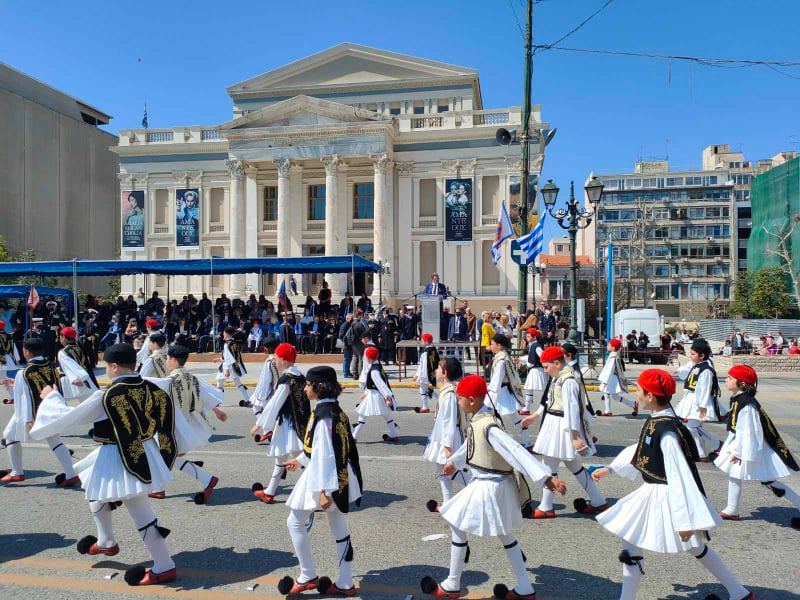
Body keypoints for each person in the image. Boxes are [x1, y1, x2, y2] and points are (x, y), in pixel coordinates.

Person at [592, 369, 753, 600]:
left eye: (638, 390)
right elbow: (640, 448)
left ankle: (739, 592)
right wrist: (610, 469)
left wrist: (687, 520)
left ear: (650, 397)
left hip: (665, 495)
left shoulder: (667, 432)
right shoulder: (659, 421)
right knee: (634, 544)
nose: (636, 394)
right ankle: (739, 593)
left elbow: (681, 476)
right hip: (653, 491)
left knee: (693, 546)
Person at [29, 343, 178, 586]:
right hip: (145, 451)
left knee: (139, 508)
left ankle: (164, 565)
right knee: (96, 493)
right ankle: (106, 541)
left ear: (115, 366)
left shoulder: (107, 395)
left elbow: (68, 418)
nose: (106, 370)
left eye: (107, 366)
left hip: (120, 456)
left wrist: (51, 397)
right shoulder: (153, 388)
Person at [420, 375, 567, 600]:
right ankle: (525, 588)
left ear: (471, 400)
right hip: (491, 485)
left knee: (457, 523)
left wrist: (546, 478)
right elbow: (471, 444)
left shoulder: (488, 426)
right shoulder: (480, 420)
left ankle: (452, 584)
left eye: (460, 398)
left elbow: (515, 451)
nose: (458, 402)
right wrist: (453, 463)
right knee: (505, 536)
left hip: (490, 485)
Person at [277, 366, 362, 597]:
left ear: (319, 386)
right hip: (339, 475)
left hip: (326, 478)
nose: (304, 389)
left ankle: (307, 575)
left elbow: (325, 454)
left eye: (308, 384)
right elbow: (321, 448)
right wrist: (300, 460)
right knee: (339, 526)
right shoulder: (334, 410)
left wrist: (323, 491)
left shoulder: (325, 416)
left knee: (294, 521)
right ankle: (345, 582)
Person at [522, 345, 606, 518]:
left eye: (546, 367)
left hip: (561, 425)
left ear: (557, 363)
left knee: (549, 465)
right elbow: (549, 400)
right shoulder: (560, 376)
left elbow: (572, 409)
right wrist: (535, 416)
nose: (545, 371)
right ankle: (598, 501)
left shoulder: (567, 380)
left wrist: (575, 437)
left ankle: (546, 507)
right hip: (556, 423)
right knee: (572, 465)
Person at [715, 365, 800, 527]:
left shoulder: (747, 405)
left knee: (770, 482)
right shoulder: (739, 399)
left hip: (751, 449)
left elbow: (749, 432)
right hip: (741, 445)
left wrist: (739, 452)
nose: (726, 380)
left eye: (730, 378)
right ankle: (732, 509)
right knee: (734, 474)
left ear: (742, 384)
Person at [145, 345, 227, 504]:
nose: (166, 361)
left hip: (173, 426)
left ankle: (206, 479)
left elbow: (150, 384)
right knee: (167, 456)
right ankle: (159, 488)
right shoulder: (191, 377)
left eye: (168, 358)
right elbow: (205, 395)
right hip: (186, 424)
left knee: (160, 454)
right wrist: (217, 411)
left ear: (173, 360)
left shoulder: (170, 381)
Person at [1, 337, 78, 487]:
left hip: (33, 413)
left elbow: (25, 398)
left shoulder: (24, 371)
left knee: (10, 436)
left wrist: (28, 419)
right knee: (54, 440)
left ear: (26, 351)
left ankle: (17, 472)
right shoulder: (51, 366)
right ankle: (71, 473)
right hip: (51, 409)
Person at [251, 343, 311, 504]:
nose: (275, 361)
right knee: (282, 459)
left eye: (276, 358)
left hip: (289, 424)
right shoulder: (299, 376)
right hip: (300, 422)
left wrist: (260, 424)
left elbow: (274, 404)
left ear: (283, 360)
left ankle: (316, 495)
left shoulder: (286, 379)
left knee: (303, 460)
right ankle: (269, 492)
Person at [423, 357, 469, 512]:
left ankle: (482, 495)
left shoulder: (449, 393)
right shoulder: (448, 390)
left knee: (456, 470)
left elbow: (448, 420)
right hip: (442, 436)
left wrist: (447, 446)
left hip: (448, 437)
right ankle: (448, 502)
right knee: (442, 470)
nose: (436, 370)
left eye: (438, 368)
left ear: (445, 372)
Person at [675, 339, 724, 462]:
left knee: (692, 427)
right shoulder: (697, 366)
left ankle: (717, 445)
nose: (690, 356)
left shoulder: (706, 369)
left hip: (698, 401)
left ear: (701, 355)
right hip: (692, 398)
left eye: (692, 354)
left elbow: (704, 388)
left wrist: (702, 405)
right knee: (692, 427)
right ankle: (700, 453)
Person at [487, 334, 533, 449]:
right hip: (502, 391)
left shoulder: (501, 359)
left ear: (499, 345)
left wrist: (489, 392)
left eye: (492, 344)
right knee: (512, 418)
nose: (490, 346)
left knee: (494, 416)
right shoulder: (502, 357)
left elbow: (497, 379)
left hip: (500, 392)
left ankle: (505, 442)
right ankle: (527, 441)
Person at [352, 346, 399, 443]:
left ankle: (353, 437)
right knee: (387, 415)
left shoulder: (374, 370)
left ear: (368, 358)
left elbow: (381, 385)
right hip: (376, 394)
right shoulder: (378, 366)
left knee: (362, 415)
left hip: (375, 396)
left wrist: (388, 397)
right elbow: (382, 383)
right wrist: (366, 392)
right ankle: (394, 435)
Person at [597, 338, 637, 417]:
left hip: (612, 378)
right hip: (613, 378)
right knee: (614, 396)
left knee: (606, 393)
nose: (607, 346)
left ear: (613, 347)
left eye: (609, 345)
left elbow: (610, 370)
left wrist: (605, 381)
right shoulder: (614, 355)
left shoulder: (613, 357)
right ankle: (633, 404)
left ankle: (608, 411)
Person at [57, 326, 98, 401]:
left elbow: (70, 366)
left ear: (64, 337)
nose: (59, 339)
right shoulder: (79, 348)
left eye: (60, 336)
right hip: (85, 379)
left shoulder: (63, 352)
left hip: (76, 381)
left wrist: (75, 379)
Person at [215, 326, 250, 407]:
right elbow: (230, 356)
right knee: (238, 383)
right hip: (234, 366)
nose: (223, 334)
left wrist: (226, 369)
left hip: (228, 366)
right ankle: (247, 399)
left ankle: (217, 400)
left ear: (227, 334)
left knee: (219, 381)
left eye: (224, 332)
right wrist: (219, 359)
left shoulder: (227, 344)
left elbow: (228, 358)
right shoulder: (233, 343)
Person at [251, 336, 280, 425]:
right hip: (280, 389)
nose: (264, 349)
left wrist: (261, 396)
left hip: (274, 391)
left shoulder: (270, 361)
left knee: (256, 407)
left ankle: (266, 429)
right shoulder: (280, 357)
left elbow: (266, 381)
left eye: (265, 347)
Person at [519, 328, 546, 415]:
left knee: (544, 390)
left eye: (529, 336)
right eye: (527, 336)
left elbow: (542, 356)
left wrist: (546, 366)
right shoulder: (531, 345)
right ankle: (526, 408)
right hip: (533, 370)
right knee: (529, 389)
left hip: (538, 370)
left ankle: (548, 406)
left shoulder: (536, 346)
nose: (527, 337)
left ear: (534, 337)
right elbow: (530, 357)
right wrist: (519, 359)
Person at [414, 332, 440, 414]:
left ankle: (425, 407)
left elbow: (423, 365)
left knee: (422, 389)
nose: (421, 342)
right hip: (432, 373)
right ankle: (441, 401)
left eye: (422, 341)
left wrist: (418, 375)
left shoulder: (425, 352)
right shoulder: (433, 350)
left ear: (426, 341)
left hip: (426, 374)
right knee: (428, 390)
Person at [1, 319, 21, 401]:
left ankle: (13, 396)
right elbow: (14, 348)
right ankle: (14, 395)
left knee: (4, 379)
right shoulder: (9, 336)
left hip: (2, 361)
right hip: (8, 359)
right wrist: (17, 358)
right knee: (5, 379)